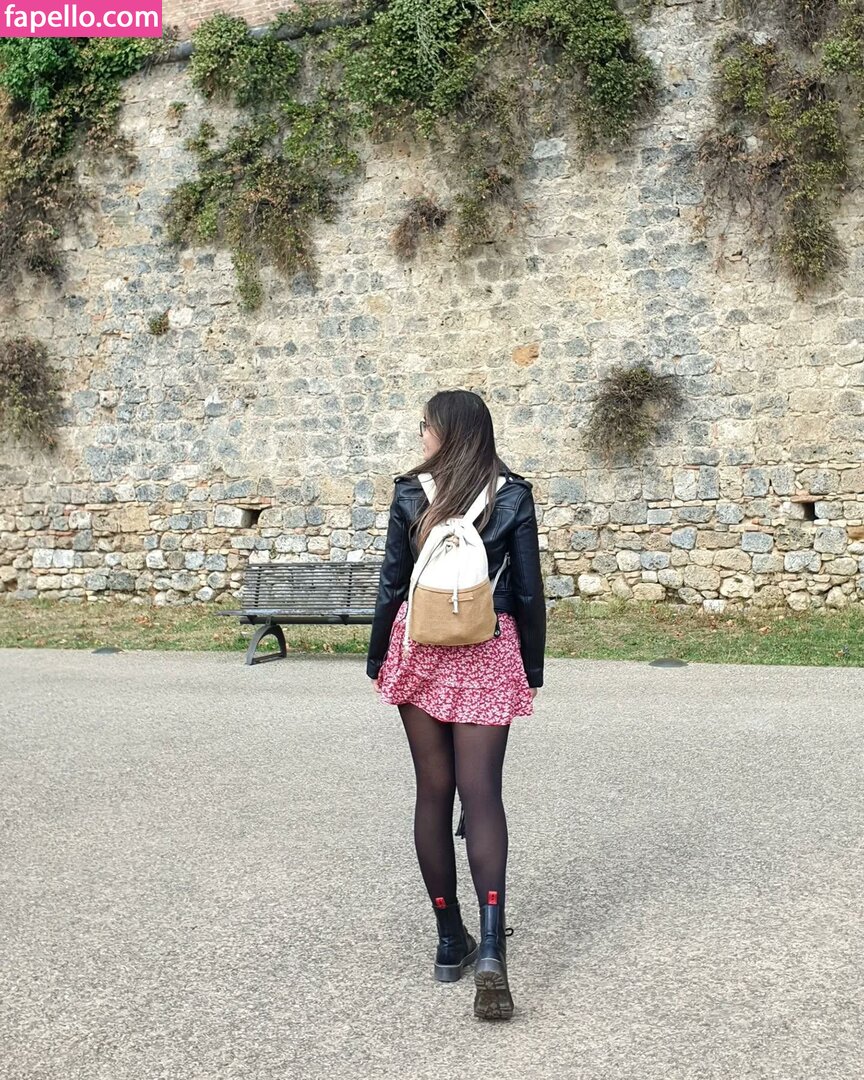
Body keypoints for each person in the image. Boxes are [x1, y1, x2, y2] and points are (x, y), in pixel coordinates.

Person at [366, 389, 546, 1021]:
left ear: (445, 432)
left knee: (433, 793)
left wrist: (378, 657)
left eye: (425, 426)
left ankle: (450, 941)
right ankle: (492, 948)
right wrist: (531, 668)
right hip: (486, 648)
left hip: (418, 645)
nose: (420, 435)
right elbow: (528, 589)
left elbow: (392, 582)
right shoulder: (512, 494)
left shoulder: (409, 493)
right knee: (483, 795)